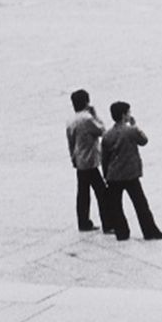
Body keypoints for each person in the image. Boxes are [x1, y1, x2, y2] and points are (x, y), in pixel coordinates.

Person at [101, 101, 162, 241]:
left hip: (114, 176)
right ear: (124, 115)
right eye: (128, 112)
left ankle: (122, 232)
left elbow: (104, 158)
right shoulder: (131, 131)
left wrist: (106, 174)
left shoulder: (107, 135)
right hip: (131, 175)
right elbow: (144, 141)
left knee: (116, 206)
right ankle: (149, 231)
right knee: (140, 204)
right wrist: (134, 125)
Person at [65, 89, 115, 233]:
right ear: (86, 102)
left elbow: (70, 142)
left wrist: (73, 159)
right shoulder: (87, 119)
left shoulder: (71, 120)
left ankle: (83, 222)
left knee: (83, 193)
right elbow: (102, 130)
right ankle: (108, 223)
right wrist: (95, 114)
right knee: (102, 193)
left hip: (79, 161)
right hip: (90, 161)